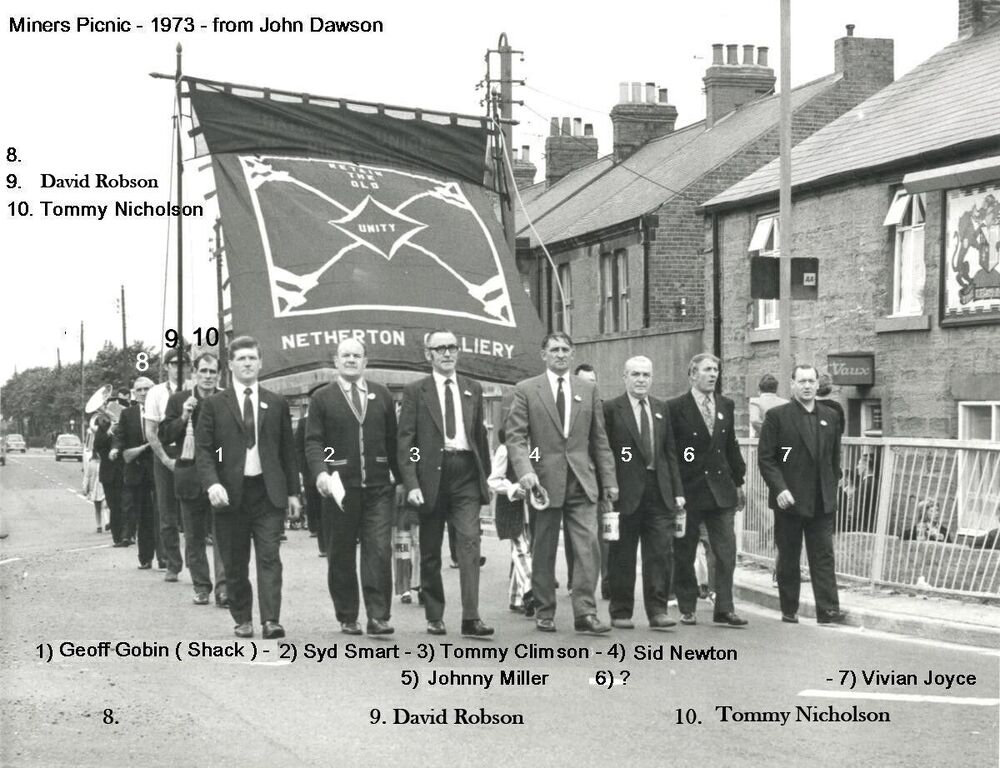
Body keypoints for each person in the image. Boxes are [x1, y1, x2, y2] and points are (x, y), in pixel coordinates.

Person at [505, 332, 617, 635]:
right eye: (554, 350)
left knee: (588, 547)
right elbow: (516, 437)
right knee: (543, 549)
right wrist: (526, 470)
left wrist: (609, 480)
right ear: (543, 355)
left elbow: (600, 439)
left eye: (565, 349)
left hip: (582, 480)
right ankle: (544, 610)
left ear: (572, 352)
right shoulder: (527, 390)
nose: (560, 354)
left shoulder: (588, 390)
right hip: (543, 482)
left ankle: (585, 612)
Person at [195, 336, 301, 639]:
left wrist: (293, 492)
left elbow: (287, 452)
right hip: (230, 496)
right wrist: (213, 482)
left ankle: (271, 620)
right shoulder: (215, 405)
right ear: (230, 365)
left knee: (270, 557)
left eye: (252, 358)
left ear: (260, 363)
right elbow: (206, 450)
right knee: (235, 561)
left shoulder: (276, 403)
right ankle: (242, 618)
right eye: (241, 359)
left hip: (267, 493)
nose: (247, 363)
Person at [397, 329, 494, 638]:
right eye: (440, 349)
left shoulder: (472, 388)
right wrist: (411, 481)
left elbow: (479, 435)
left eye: (452, 347)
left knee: (469, 543)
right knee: (429, 549)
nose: (447, 353)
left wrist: (485, 477)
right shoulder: (416, 391)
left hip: (465, 471)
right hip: (430, 477)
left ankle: (471, 616)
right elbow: (407, 442)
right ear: (429, 355)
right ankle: (435, 615)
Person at [305, 338, 399, 636]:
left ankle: (378, 616)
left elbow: (396, 443)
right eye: (345, 355)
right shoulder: (322, 398)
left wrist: (407, 479)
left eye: (357, 356)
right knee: (341, 553)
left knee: (379, 551)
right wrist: (322, 471)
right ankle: (347, 615)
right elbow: (314, 441)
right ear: (336, 361)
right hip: (339, 489)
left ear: (365, 362)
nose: (351, 360)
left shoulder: (382, 395)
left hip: (378, 486)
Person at [603, 356, 685, 630]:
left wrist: (677, 490)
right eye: (635, 374)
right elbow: (607, 452)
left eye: (646, 375)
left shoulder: (661, 408)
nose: (641, 380)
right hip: (624, 492)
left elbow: (670, 452)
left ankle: (658, 611)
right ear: (624, 377)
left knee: (660, 554)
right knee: (623, 554)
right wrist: (608, 485)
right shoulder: (612, 409)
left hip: (659, 491)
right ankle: (621, 610)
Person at [758, 364, 844, 625]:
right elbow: (770, 458)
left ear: (818, 385)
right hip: (790, 500)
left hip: (821, 499)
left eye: (811, 381)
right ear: (792, 385)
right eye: (801, 381)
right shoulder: (778, 417)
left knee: (823, 557)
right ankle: (789, 609)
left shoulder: (830, 416)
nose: (807, 386)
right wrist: (780, 487)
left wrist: (832, 483)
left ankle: (828, 611)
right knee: (789, 556)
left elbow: (833, 457)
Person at [668, 353, 749, 627]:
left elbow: (731, 446)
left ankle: (724, 607)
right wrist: (674, 489)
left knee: (725, 551)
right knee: (685, 550)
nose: (712, 374)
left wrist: (739, 481)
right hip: (689, 491)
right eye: (706, 370)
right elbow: (672, 453)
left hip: (721, 490)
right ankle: (687, 606)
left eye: (715, 369)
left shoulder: (725, 404)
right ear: (692, 374)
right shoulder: (676, 407)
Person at [160, 352, 228, 608]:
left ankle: (224, 588)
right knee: (194, 537)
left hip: (220, 478)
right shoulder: (179, 400)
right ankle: (201, 586)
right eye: (203, 371)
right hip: (189, 477)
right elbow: (166, 435)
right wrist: (184, 417)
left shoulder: (226, 399)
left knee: (223, 536)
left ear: (219, 375)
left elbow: (231, 440)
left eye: (213, 372)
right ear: (194, 374)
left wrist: (219, 459)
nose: (208, 377)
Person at [145, 347, 190, 581]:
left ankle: (195, 558)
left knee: (193, 510)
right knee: (167, 512)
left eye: (184, 363)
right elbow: (151, 431)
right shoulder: (155, 393)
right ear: (166, 367)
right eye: (174, 364)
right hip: (165, 453)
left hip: (190, 452)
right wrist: (165, 459)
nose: (179, 368)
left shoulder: (195, 389)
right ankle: (173, 563)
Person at [488, 428, 534, 616]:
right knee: (521, 548)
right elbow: (494, 480)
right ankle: (531, 589)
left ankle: (516, 598)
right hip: (510, 506)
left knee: (524, 548)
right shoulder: (505, 450)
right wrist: (512, 488)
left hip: (530, 507)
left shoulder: (533, 447)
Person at [111, 377, 156, 567]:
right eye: (139, 390)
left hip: (157, 468)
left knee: (157, 515)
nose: (144, 393)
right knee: (139, 515)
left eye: (147, 389)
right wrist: (115, 449)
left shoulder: (161, 410)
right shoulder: (128, 414)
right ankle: (145, 558)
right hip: (136, 471)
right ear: (134, 393)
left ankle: (163, 558)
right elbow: (120, 436)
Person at [295, 403, 325, 557]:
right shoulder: (303, 422)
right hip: (311, 471)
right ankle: (323, 544)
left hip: (334, 469)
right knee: (317, 507)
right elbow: (299, 447)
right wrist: (302, 469)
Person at [93, 413, 126, 546]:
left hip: (123, 471)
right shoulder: (102, 429)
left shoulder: (121, 425)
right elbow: (98, 445)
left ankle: (126, 535)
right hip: (108, 474)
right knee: (114, 506)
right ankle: (117, 537)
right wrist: (110, 431)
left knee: (125, 505)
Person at [83, 420, 107, 533]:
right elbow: (87, 476)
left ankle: (107, 522)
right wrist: (85, 488)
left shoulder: (105, 462)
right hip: (95, 488)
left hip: (104, 486)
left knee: (106, 505)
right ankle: (98, 525)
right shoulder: (91, 463)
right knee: (97, 507)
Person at [748, 373, 788, 438]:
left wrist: (768, 433)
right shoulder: (786, 403)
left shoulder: (755, 402)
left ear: (760, 389)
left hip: (763, 440)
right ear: (776, 388)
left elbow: (755, 421)